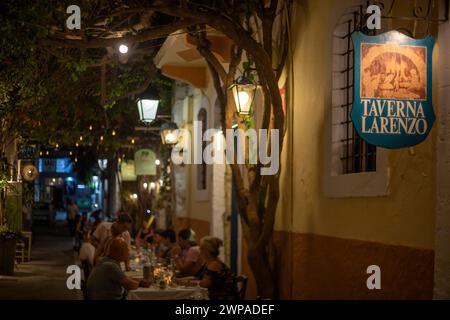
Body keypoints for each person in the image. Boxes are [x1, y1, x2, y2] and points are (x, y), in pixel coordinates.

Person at [86, 238, 150, 300]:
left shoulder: (104, 261)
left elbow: (123, 277)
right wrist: (140, 283)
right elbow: (131, 286)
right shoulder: (111, 266)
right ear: (120, 253)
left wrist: (138, 279)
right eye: (126, 251)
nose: (127, 254)